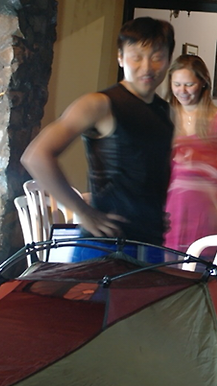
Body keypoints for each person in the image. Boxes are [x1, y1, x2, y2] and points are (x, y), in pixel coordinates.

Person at [21, 17, 176, 259]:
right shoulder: (100, 104)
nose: (147, 67)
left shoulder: (165, 112)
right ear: (120, 57)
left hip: (151, 244)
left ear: (168, 60)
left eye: (157, 57)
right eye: (136, 57)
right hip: (104, 247)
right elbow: (36, 156)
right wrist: (83, 212)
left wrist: (152, 211)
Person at [165, 53, 217, 252]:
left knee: (201, 261)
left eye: (189, 84)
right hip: (169, 206)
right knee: (166, 263)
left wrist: (200, 161)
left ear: (203, 83)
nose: (182, 91)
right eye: (177, 84)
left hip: (206, 207)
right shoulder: (164, 116)